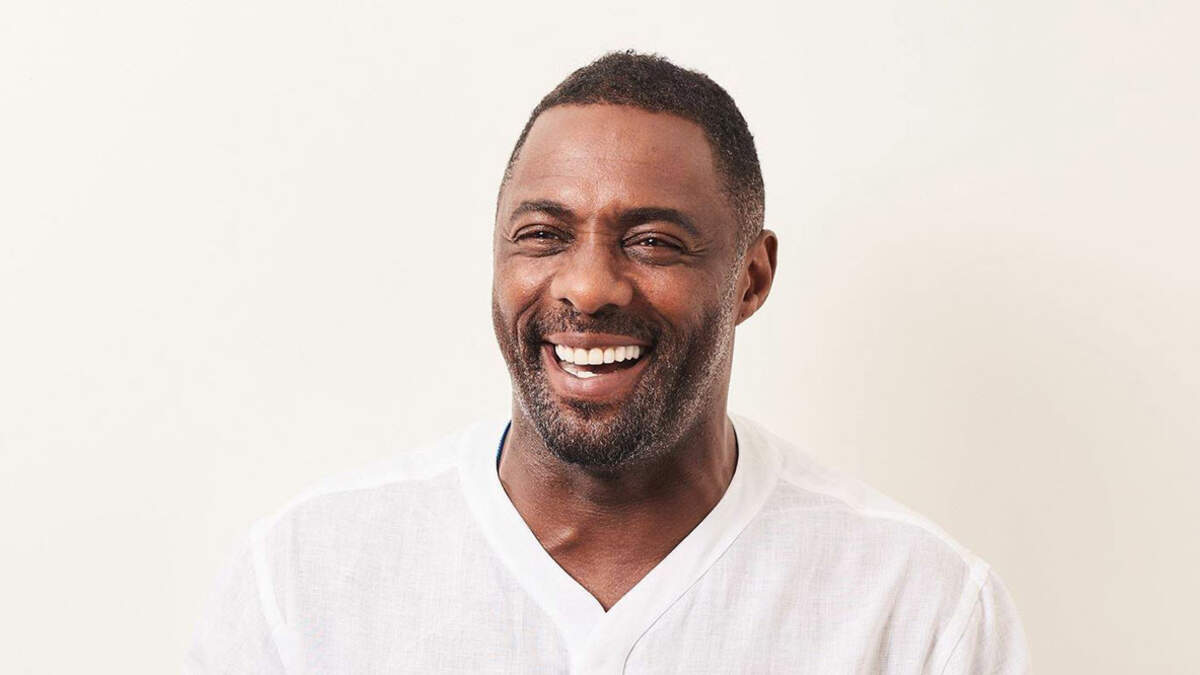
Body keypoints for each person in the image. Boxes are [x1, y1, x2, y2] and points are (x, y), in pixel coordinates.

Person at [187, 51, 1031, 674]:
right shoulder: (304, 581)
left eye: (653, 241)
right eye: (542, 235)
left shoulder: (920, 611)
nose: (587, 288)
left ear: (751, 277)